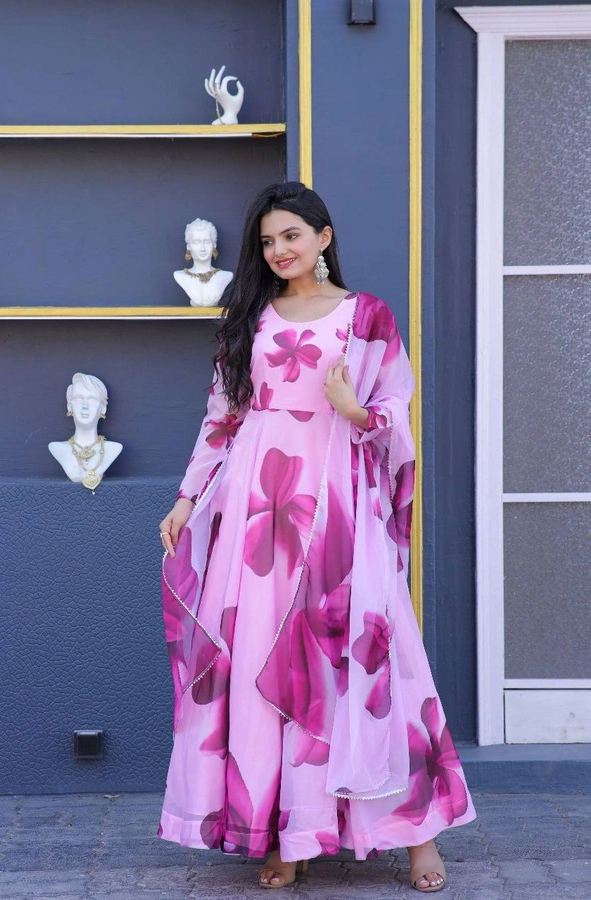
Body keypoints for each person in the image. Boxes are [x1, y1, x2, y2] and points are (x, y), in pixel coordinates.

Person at [157, 182, 476, 892]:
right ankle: (292, 835)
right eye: (268, 241)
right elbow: (222, 416)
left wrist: (354, 410)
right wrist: (186, 498)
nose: (279, 250)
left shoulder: (367, 316)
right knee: (262, 659)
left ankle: (417, 834)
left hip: (336, 503)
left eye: (291, 236)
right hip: (258, 510)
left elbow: (396, 409)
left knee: (367, 656)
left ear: (324, 237)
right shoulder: (250, 317)